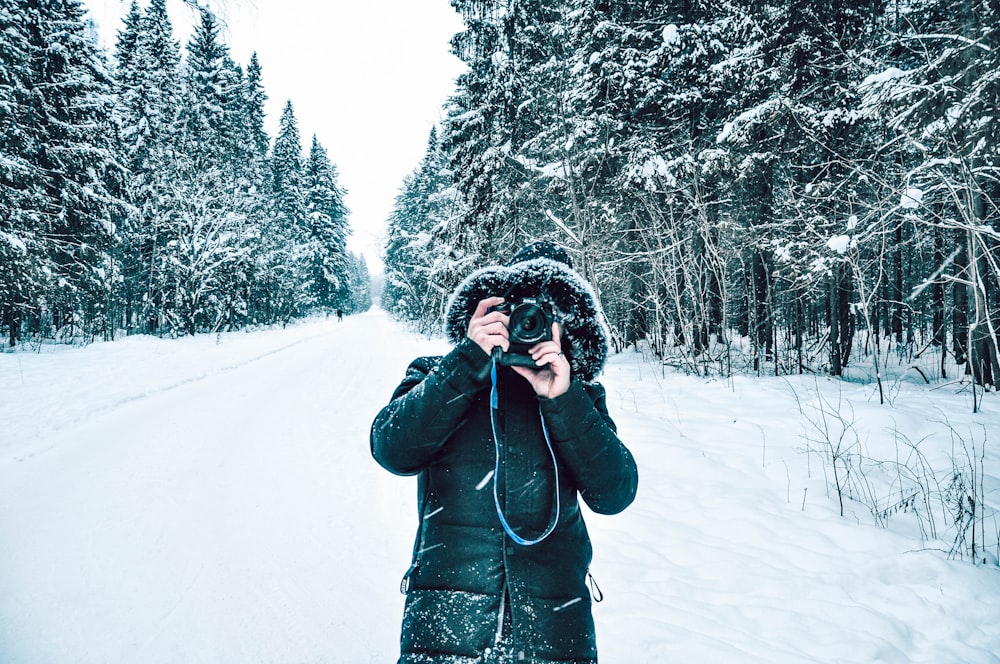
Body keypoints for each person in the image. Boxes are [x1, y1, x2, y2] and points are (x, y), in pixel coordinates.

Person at [370, 241, 638, 664]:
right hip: (446, 626)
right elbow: (391, 449)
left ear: (566, 327)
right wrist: (467, 363)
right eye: (519, 314)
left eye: (546, 316)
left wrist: (562, 399)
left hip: (554, 630)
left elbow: (614, 494)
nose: (528, 325)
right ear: (496, 313)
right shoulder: (437, 373)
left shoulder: (578, 394)